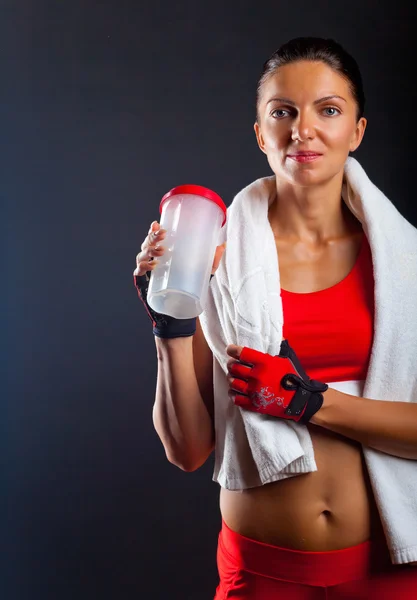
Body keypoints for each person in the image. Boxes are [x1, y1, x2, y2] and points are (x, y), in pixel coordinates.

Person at [133, 37, 417, 599]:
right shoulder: (210, 257)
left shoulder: (407, 266)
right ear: (261, 132)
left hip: (388, 572)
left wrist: (308, 401)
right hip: (263, 573)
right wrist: (169, 320)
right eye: (282, 112)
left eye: (328, 110)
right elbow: (188, 451)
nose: (302, 129)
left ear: (357, 131)